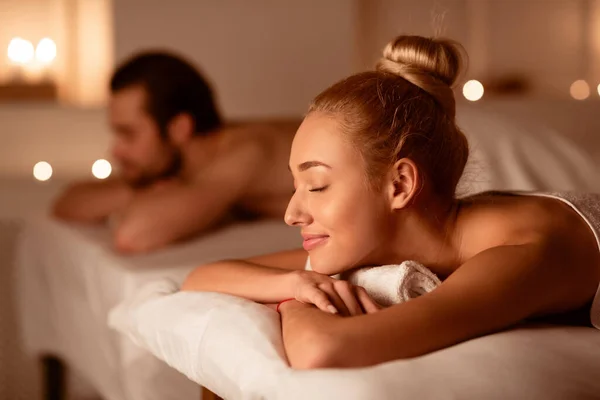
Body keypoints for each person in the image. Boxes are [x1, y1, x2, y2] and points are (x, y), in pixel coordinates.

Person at [181, 35, 600, 369]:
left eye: (317, 185)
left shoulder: (516, 255)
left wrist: (294, 304)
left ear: (400, 185)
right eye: (296, 186)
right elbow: (200, 277)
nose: (292, 214)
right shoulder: (398, 235)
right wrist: (293, 282)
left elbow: (323, 350)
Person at [52, 51, 297, 253]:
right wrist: (143, 189)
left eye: (129, 134)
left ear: (179, 129)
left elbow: (133, 235)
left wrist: (145, 193)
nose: (116, 150)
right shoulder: (179, 166)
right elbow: (66, 203)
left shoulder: (246, 152)